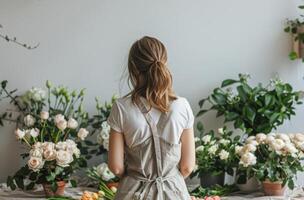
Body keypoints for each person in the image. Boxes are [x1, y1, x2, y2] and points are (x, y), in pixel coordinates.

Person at [107, 36, 196, 200]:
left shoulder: (121, 107)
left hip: (133, 192)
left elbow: (116, 167)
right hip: (174, 192)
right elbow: (187, 167)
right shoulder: (182, 106)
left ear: (133, 69)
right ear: (164, 62)